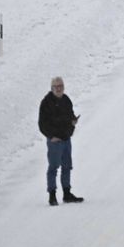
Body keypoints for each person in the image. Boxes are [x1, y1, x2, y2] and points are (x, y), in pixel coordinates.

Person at [38, 76, 84, 206]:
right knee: (53, 167)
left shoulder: (66, 100)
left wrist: (73, 122)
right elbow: (42, 124)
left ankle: (67, 193)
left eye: (61, 86)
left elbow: (70, 115)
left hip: (66, 139)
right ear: (51, 88)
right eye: (56, 87)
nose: (59, 89)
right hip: (54, 141)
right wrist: (51, 136)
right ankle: (52, 195)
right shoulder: (46, 103)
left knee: (67, 166)